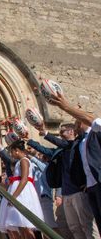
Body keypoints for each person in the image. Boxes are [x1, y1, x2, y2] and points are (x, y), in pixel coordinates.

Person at [50, 91, 101, 235]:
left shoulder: (96, 133)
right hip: (90, 187)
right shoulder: (80, 142)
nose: (75, 124)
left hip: (99, 182)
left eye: (78, 120)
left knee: (88, 227)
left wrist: (67, 107)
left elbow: (95, 121)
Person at [0, 140, 44, 239]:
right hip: (17, 191)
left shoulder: (24, 161)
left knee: (24, 224)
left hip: (23, 194)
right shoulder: (19, 162)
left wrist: (14, 197)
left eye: (11, 152)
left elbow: (24, 179)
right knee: (18, 224)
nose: (11, 154)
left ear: (16, 150)